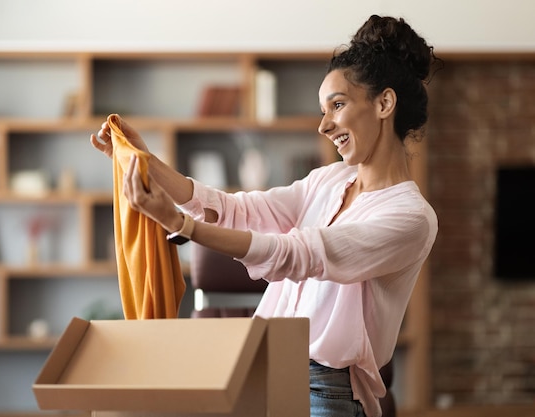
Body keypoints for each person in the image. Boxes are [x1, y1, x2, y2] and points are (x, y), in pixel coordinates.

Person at [90, 14, 438, 417]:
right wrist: (146, 163)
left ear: (385, 103)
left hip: (324, 391)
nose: (324, 125)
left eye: (337, 106)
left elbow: (298, 255)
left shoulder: (411, 218)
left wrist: (180, 224)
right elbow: (242, 210)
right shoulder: (329, 180)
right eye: (322, 111)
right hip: (259, 369)